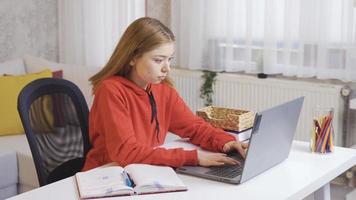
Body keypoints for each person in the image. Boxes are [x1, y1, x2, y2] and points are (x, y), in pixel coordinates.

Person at [82, 17, 248, 171]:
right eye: (158, 60)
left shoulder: (162, 90)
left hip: (143, 170)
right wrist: (193, 157)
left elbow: (194, 127)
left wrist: (227, 142)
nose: (166, 68)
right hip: (107, 174)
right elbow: (126, 152)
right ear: (132, 58)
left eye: (169, 59)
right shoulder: (111, 91)